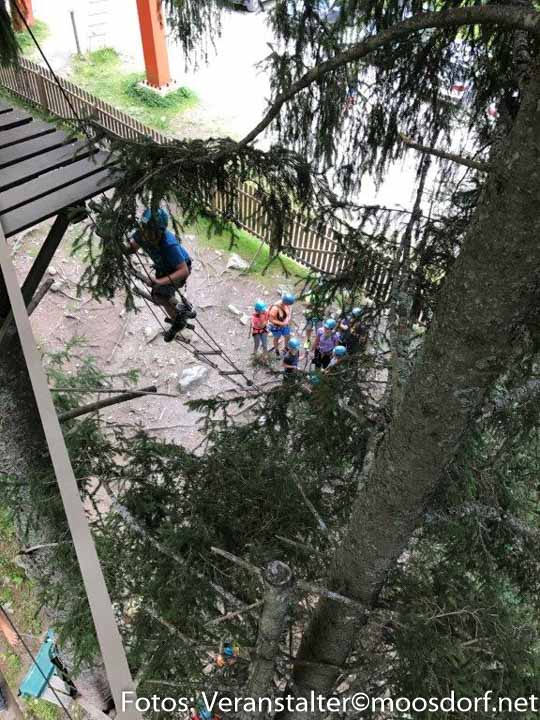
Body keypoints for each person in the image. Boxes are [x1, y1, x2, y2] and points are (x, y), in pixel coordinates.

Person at [128, 207, 194, 341]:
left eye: (151, 231)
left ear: (160, 231)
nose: (146, 234)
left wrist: (159, 281)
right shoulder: (141, 234)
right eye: (145, 229)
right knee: (160, 295)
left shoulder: (169, 244)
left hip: (177, 270)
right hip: (163, 267)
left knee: (160, 294)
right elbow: (132, 248)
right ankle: (179, 313)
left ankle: (179, 319)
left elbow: (183, 271)